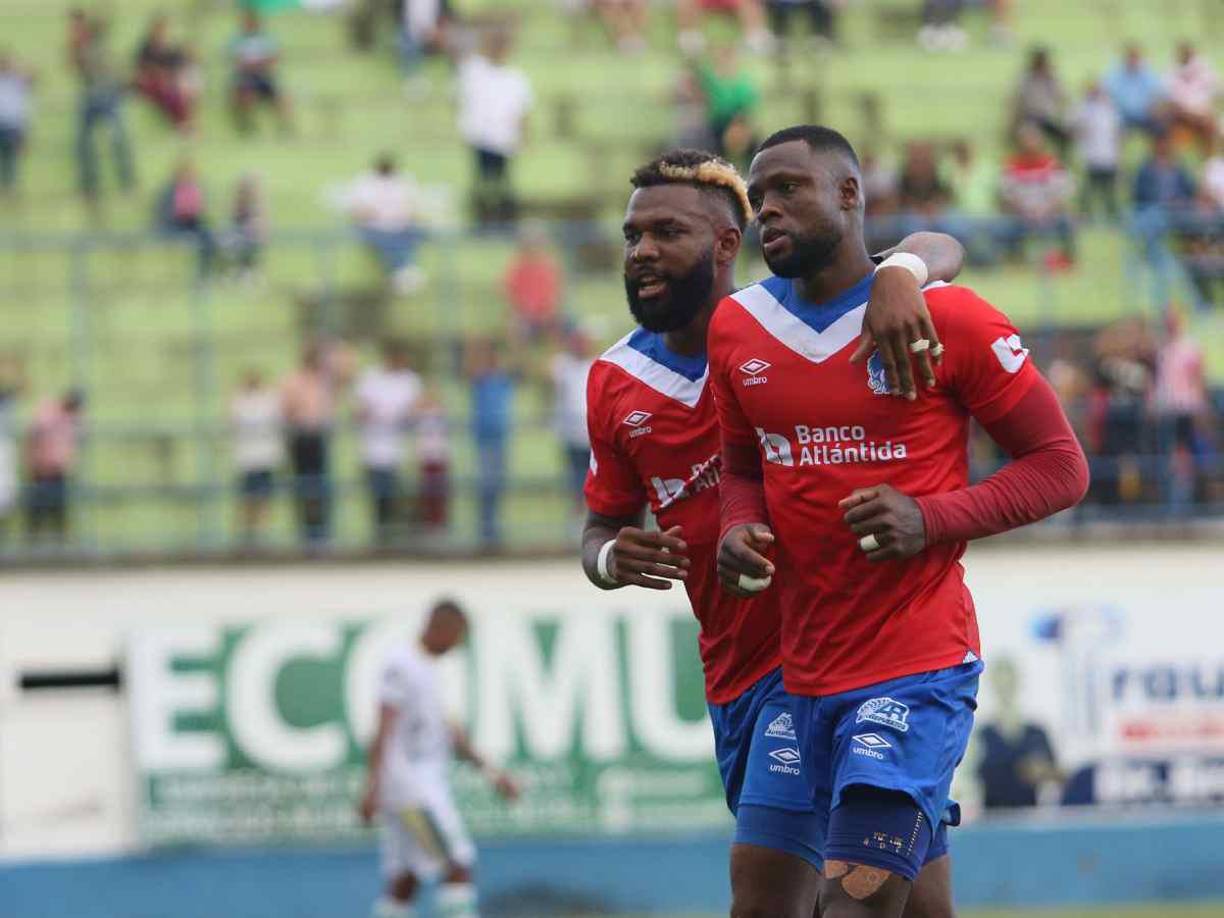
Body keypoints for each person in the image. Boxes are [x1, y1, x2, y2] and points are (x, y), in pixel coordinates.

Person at [712, 125, 1088, 917]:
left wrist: (931, 518)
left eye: (788, 189)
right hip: (804, 673)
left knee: (848, 905)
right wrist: (736, 527)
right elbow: (744, 466)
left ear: (849, 196)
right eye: (758, 196)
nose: (767, 209)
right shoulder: (737, 328)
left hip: (915, 669)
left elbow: (1062, 467)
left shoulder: (948, 319)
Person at [583, 148, 967, 918]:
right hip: (734, 675)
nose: (642, 252)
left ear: (728, 244)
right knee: (916, 908)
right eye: (632, 237)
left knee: (777, 903)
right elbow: (602, 521)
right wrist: (606, 557)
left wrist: (902, 275)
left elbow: (939, 246)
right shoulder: (613, 380)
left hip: (834, 661)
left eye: (665, 232)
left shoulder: (793, 322)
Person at [359, 598, 519, 918]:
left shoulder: (426, 669)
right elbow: (383, 728)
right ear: (440, 627)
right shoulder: (401, 664)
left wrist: (492, 773)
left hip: (409, 787)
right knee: (456, 863)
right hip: (411, 789)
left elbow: (451, 734)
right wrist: (372, 786)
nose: (458, 645)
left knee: (408, 876)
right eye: (458, 636)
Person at [456, 28, 532, 225]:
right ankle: (483, 220)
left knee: (502, 184)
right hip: (481, 139)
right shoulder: (475, 70)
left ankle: (504, 222)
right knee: (483, 184)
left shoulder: (516, 78)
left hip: (503, 141)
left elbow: (522, 112)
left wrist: (523, 137)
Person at [355, 341, 423, 546]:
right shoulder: (370, 378)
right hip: (373, 447)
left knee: (397, 493)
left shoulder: (410, 380)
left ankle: (395, 535)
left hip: (398, 448)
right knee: (378, 494)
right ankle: (381, 536)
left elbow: (415, 411)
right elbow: (360, 411)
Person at [972, 657, 1062, 810]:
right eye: (1000, 684)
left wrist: (1042, 771)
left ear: (1018, 683)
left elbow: (1058, 775)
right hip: (990, 822)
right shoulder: (982, 736)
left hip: (1029, 819)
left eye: (1009, 683)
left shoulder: (1037, 733)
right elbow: (967, 780)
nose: (1005, 690)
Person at [69, 9, 135, 199]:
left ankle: (125, 181)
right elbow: (77, 65)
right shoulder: (83, 47)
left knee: (117, 138)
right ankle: (90, 185)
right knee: (84, 143)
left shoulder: (99, 46)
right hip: (92, 96)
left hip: (106, 95)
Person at [281, 342, 340, 547]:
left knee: (321, 484)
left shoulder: (325, 381)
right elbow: (286, 411)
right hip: (301, 437)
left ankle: (321, 532)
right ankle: (307, 533)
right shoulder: (293, 380)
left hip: (320, 437)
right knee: (303, 485)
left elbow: (348, 368)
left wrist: (333, 342)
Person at [344, 154, 426, 294]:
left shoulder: (404, 180)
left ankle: (403, 271)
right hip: (374, 228)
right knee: (389, 239)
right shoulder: (365, 182)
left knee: (412, 235)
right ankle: (404, 271)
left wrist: (402, 217)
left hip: (401, 227)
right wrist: (378, 216)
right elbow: (357, 211)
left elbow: (412, 209)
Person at [999, 122, 1075, 266]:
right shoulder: (1012, 165)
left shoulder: (1053, 164)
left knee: (1068, 222)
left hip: (1050, 213)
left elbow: (1062, 193)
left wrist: (1046, 209)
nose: (1029, 144)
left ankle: (1066, 260)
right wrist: (1024, 210)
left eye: (1033, 139)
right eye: (1026, 139)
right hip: (1021, 215)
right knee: (1006, 226)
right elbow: (1008, 194)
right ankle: (1016, 260)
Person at [465, 338, 515, 548]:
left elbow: (518, 363)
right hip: (485, 439)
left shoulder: (502, 379)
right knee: (486, 485)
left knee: (496, 485)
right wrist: (477, 345)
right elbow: (469, 368)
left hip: (500, 438)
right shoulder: (481, 379)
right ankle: (486, 532)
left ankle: (492, 531)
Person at [24, 389, 85, 545]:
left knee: (59, 509)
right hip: (41, 468)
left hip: (58, 470)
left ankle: (60, 545)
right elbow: (35, 433)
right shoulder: (49, 410)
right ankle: (33, 543)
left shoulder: (73, 418)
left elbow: (74, 442)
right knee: (36, 509)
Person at [230, 369, 282, 546]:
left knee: (264, 498)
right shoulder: (240, 400)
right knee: (248, 499)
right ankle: (247, 536)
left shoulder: (268, 399)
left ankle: (261, 535)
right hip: (247, 459)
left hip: (264, 458)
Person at [549, 327, 593, 507]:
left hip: (592, 435)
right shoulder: (562, 364)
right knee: (574, 480)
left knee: (593, 480)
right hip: (571, 434)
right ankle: (576, 515)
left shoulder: (595, 364)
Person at [229, 11, 291, 134]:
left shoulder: (266, 39)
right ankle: (247, 127)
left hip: (264, 77)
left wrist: (257, 64)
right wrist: (254, 64)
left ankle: (284, 128)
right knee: (245, 96)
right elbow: (237, 61)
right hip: (245, 78)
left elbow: (274, 58)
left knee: (282, 98)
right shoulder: (237, 40)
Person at [131, 14, 196, 133]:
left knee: (180, 91)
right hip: (151, 83)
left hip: (166, 82)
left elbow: (177, 64)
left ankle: (183, 122)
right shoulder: (145, 47)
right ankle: (181, 123)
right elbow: (141, 68)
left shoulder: (169, 48)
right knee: (168, 91)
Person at [503, 222, 563, 341]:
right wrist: (524, 311)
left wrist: (546, 311)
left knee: (557, 326)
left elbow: (555, 292)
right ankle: (520, 358)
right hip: (523, 314)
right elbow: (510, 292)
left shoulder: (549, 264)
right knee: (515, 328)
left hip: (545, 312)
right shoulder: (517, 265)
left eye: (537, 242)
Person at [155, 160, 215, 278]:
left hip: (191, 224)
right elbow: (164, 214)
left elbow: (200, 212)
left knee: (208, 236)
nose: (190, 177)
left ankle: (203, 274)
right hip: (174, 226)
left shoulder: (195, 189)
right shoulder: (169, 191)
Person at [1073, 80, 1122, 222]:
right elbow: (1076, 129)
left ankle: (1112, 218)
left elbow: (1116, 136)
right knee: (1087, 192)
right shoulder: (1082, 110)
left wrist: (1118, 158)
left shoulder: (1110, 111)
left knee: (1109, 193)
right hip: (1091, 159)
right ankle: (1084, 217)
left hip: (1109, 158)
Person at [1011, 46, 1071, 157]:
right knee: (1030, 140)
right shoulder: (1025, 78)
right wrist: (1014, 122)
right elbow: (1017, 100)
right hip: (1030, 117)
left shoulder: (1051, 78)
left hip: (1046, 118)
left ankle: (1058, 163)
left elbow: (1062, 97)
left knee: (1065, 137)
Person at [1165, 41, 1218, 154]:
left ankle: (1211, 159)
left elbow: (1212, 90)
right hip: (1182, 115)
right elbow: (1172, 99)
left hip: (1201, 114)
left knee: (1210, 125)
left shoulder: (1202, 69)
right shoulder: (1172, 72)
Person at [1104, 44, 1165, 136]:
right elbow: (1108, 93)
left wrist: (1154, 107)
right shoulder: (1116, 75)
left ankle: (1158, 149)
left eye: (1135, 58)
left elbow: (1158, 94)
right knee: (1111, 126)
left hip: (1145, 115)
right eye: (1130, 57)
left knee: (1160, 126)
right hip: (1122, 116)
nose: (1132, 61)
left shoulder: (1147, 74)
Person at [415, 386, 451, 532]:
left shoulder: (440, 413)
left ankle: (439, 523)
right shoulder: (421, 415)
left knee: (439, 493)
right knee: (427, 493)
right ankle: (429, 524)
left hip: (439, 457)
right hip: (426, 458)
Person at [0, 51, 34, 194]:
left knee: (12, 160)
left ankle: (11, 189)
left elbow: (21, 109)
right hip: (5, 124)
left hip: (12, 126)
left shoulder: (17, 82)